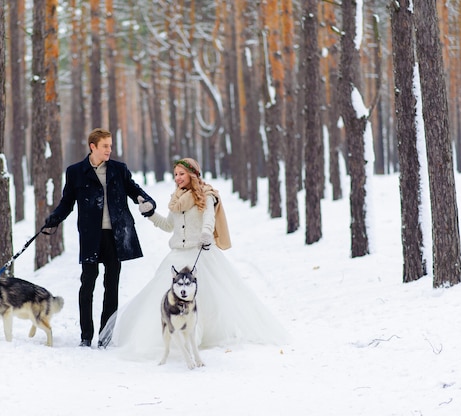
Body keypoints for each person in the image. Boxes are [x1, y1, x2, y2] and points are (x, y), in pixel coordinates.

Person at [100, 157, 290, 359]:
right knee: (165, 299)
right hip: (177, 256)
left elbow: (209, 217)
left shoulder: (206, 195)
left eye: (182, 174)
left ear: (192, 174)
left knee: (208, 299)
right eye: (175, 174)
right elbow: (168, 226)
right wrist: (151, 213)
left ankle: (202, 335)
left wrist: (206, 233)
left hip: (200, 253)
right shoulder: (176, 199)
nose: (178, 178)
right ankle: (170, 339)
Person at [43, 128, 156, 347]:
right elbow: (67, 202)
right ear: (92, 146)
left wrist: (147, 202)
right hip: (90, 236)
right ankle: (86, 336)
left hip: (116, 235)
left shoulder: (118, 170)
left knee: (111, 285)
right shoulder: (76, 172)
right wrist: (54, 218)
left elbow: (135, 191)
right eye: (105, 146)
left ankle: (106, 335)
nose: (109, 150)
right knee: (87, 283)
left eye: (111, 146)